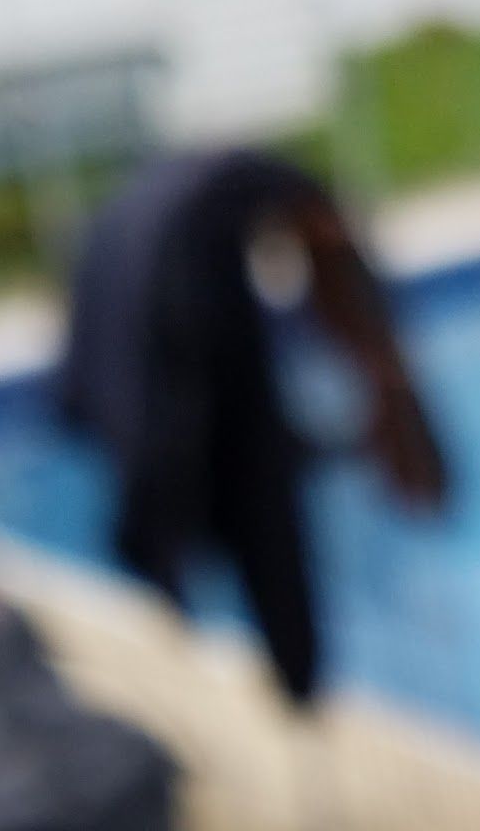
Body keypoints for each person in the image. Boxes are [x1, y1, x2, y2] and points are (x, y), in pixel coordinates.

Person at [56, 148, 450, 708]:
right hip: (181, 407)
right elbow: (230, 455)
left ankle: (290, 677)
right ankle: (296, 679)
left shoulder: (177, 214)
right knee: (257, 511)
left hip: (160, 400)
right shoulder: (197, 261)